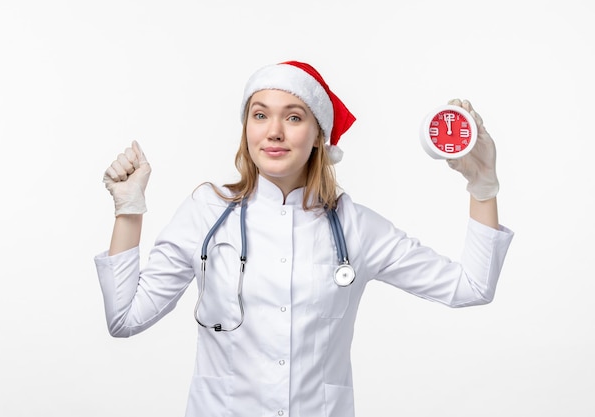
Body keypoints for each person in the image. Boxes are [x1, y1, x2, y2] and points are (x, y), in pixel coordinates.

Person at [95, 60, 513, 417]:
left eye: (293, 117)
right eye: (260, 115)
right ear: (246, 130)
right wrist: (129, 211)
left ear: (319, 135)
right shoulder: (206, 210)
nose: (273, 132)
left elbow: (471, 287)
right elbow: (125, 318)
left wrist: (483, 188)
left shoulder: (355, 227)